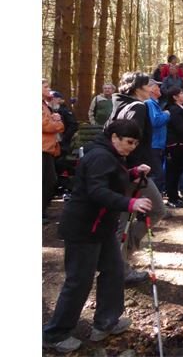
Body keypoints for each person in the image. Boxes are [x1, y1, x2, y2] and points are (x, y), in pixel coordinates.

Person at [42, 119, 153, 354]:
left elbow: (113, 178)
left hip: (101, 227)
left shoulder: (110, 154)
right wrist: (130, 202)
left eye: (135, 143)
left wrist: (133, 172)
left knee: (113, 272)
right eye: (129, 142)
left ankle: (106, 322)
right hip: (84, 228)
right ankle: (55, 333)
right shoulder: (100, 156)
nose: (132, 147)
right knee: (79, 281)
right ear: (114, 137)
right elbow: (97, 191)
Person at [108, 72, 168, 285]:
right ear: (138, 88)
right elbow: (129, 140)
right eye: (147, 85)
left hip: (123, 169)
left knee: (123, 219)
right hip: (133, 171)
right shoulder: (138, 107)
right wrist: (135, 168)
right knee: (156, 209)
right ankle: (119, 263)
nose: (152, 88)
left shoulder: (120, 104)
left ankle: (118, 261)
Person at [43, 79, 65, 223]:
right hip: (42, 148)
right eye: (45, 86)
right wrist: (57, 121)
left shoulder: (45, 105)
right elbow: (46, 126)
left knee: (49, 181)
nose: (48, 89)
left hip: (48, 148)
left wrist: (55, 119)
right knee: (47, 181)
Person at [165, 87, 183, 208]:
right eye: (180, 93)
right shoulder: (174, 110)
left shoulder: (182, 109)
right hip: (175, 144)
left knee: (178, 171)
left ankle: (175, 195)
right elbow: (180, 128)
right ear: (174, 97)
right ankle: (171, 197)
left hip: (181, 144)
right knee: (173, 172)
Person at [145, 80, 170, 193]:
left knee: (159, 175)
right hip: (153, 144)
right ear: (151, 89)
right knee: (157, 175)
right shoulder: (150, 103)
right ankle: (152, 205)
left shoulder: (155, 104)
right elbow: (155, 121)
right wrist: (166, 114)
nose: (159, 89)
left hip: (158, 144)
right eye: (157, 87)